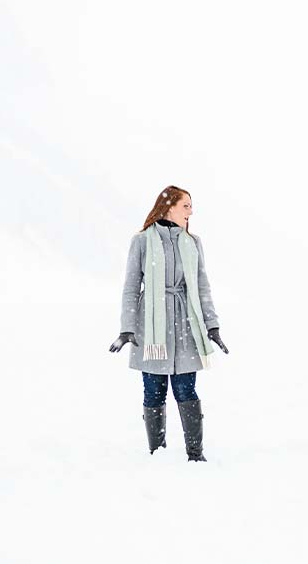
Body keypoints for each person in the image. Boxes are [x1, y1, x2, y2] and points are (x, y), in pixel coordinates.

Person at [109, 185, 228, 462]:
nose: (190, 211)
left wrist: (212, 325)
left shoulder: (193, 242)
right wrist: (127, 327)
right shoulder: (141, 241)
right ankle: (157, 454)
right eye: (185, 205)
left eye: (190, 206)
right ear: (169, 206)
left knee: (186, 389)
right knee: (153, 390)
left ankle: (195, 454)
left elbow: (201, 286)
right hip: (151, 329)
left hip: (186, 325)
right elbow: (130, 286)